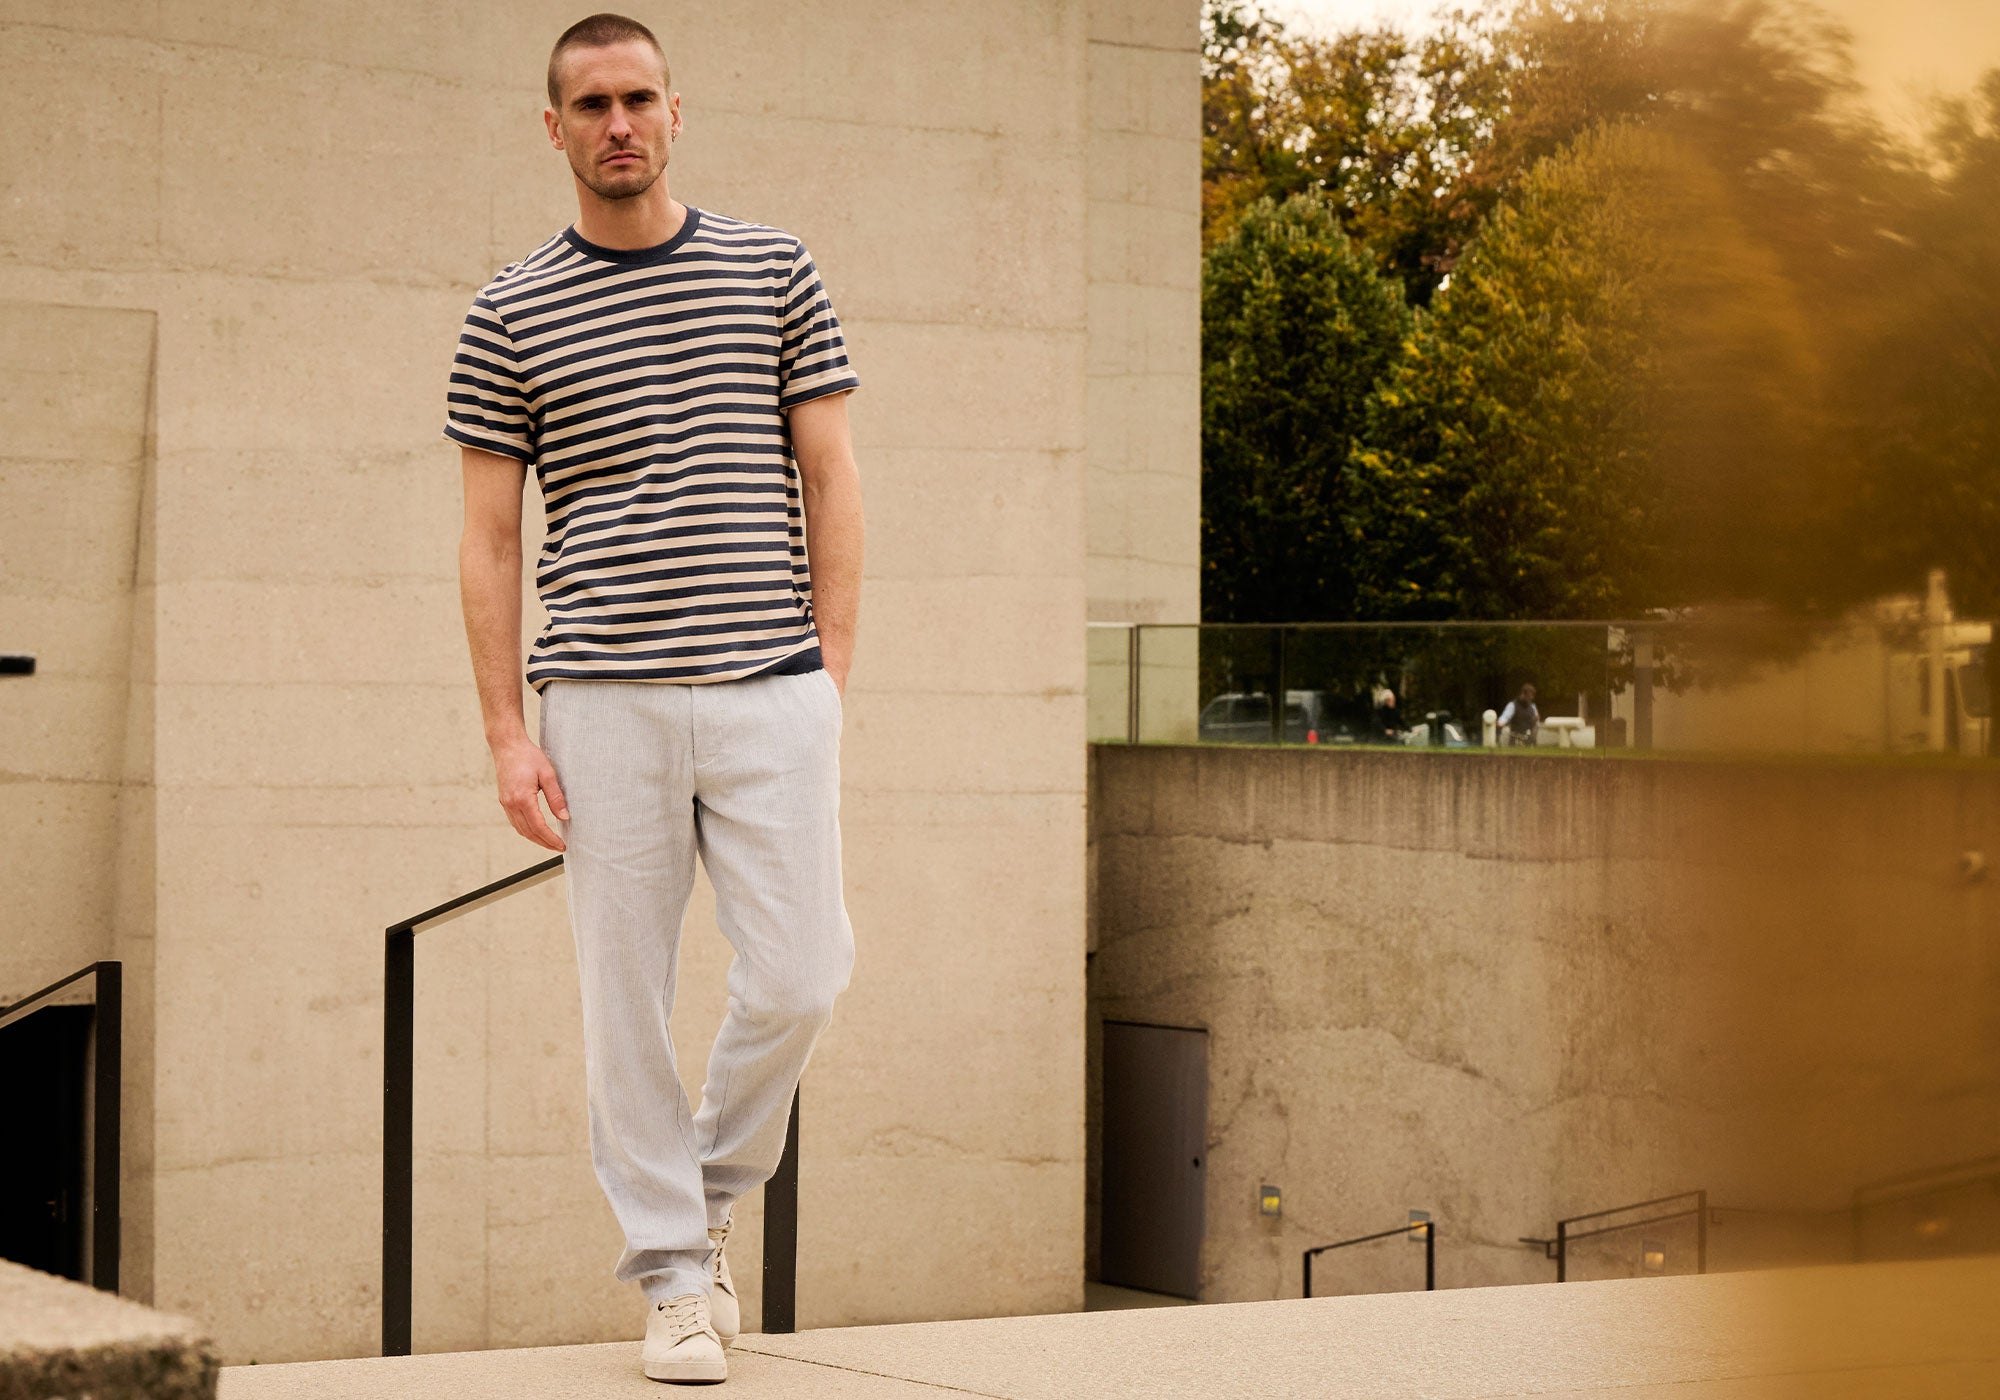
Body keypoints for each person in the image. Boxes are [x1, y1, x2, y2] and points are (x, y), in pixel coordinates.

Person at [445, 13, 863, 1384]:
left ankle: (704, 1195)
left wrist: (829, 682)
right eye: (590, 104)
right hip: (602, 700)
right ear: (551, 127)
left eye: (637, 99)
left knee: (803, 973)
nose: (616, 123)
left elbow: (832, 481)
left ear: (677, 112)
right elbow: (492, 539)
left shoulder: (774, 270)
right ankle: (676, 1279)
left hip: (770, 690)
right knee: (622, 999)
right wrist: (508, 731)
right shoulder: (509, 311)